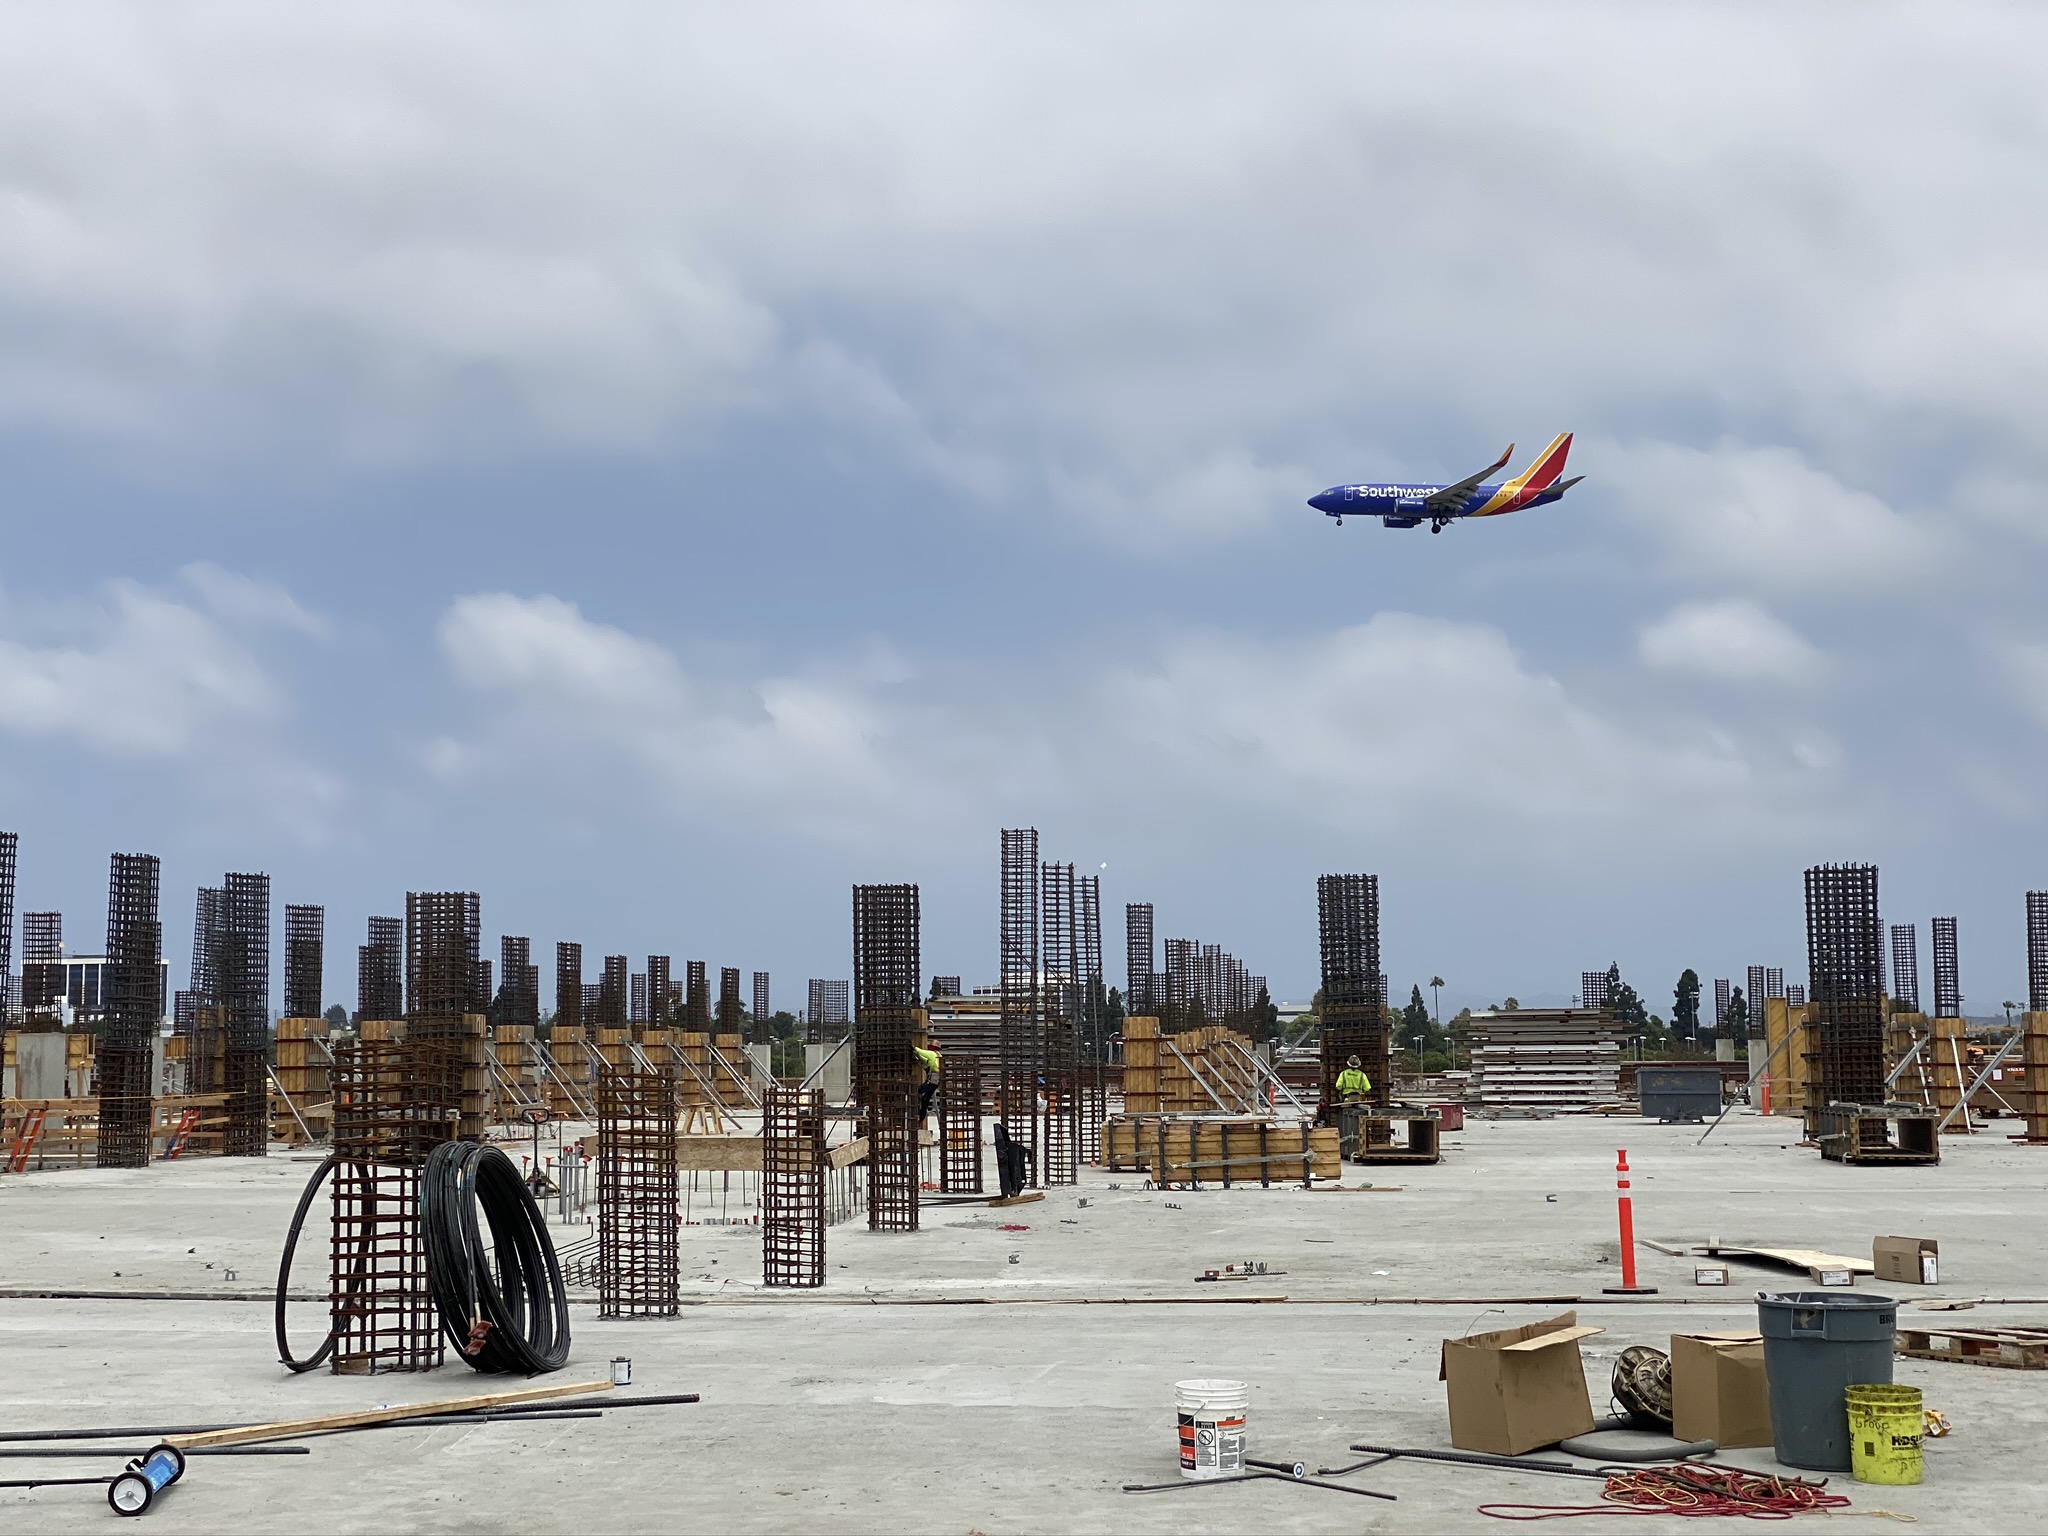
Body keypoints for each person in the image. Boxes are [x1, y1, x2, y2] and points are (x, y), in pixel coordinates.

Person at [914, 1042, 941, 1123]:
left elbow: (921, 1052)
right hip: (936, 1079)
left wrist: (914, 1048)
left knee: (919, 1090)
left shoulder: (932, 1054)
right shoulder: (937, 1055)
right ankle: (921, 1117)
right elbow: (925, 1060)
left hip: (934, 1079)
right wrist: (917, 1055)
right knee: (925, 1099)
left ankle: (919, 1115)